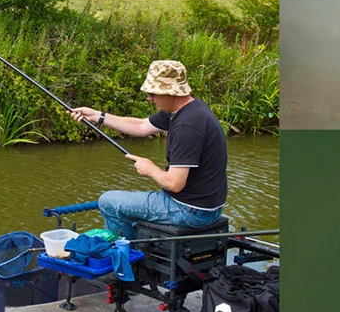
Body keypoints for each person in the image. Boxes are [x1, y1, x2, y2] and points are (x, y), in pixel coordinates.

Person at [70, 59, 228, 240]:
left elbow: (174, 184)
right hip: (206, 207)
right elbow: (141, 126)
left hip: (190, 211)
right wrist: (98, 116)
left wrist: (150, 168)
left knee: (109, 202)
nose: (149, 98)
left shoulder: (187, 126)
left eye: (153, 93)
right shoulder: (189, 109)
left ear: (171, 92)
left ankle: (129, 259)